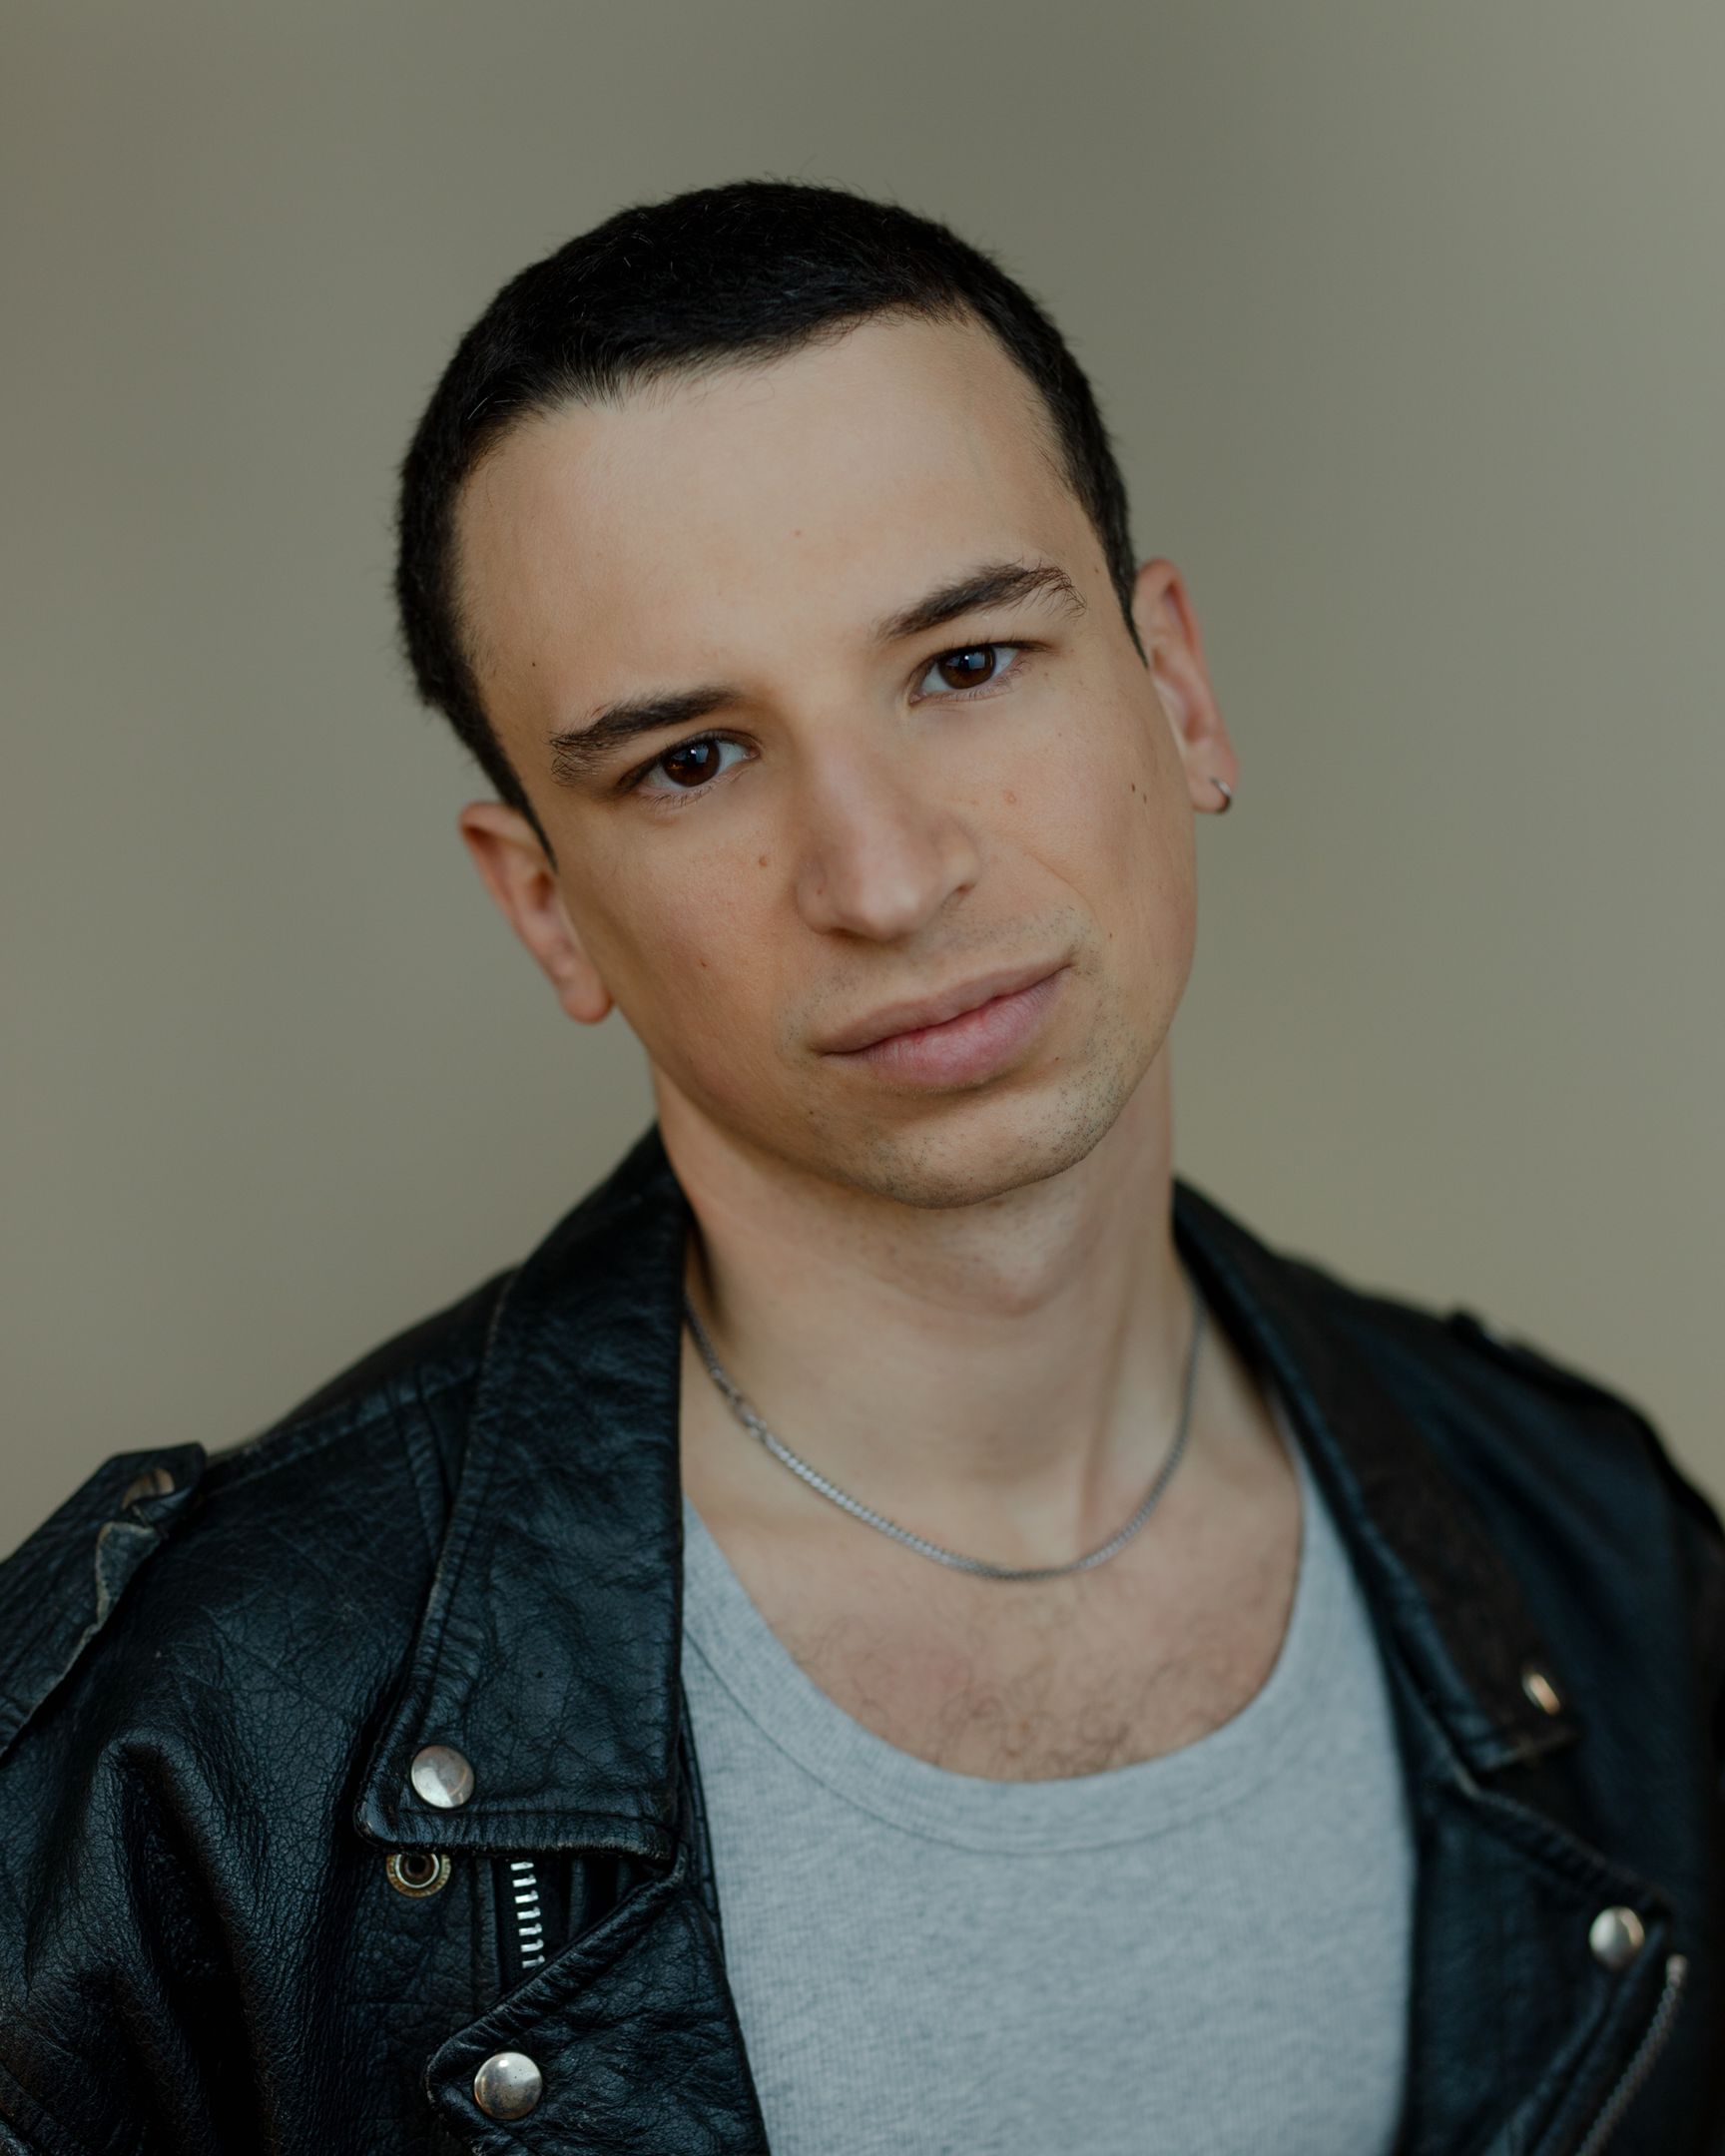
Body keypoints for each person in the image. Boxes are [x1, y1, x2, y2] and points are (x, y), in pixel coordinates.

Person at [1, 179, 1720, 2156]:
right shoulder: (200, 1745)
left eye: (968, 664)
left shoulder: (1596, 1558)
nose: (888, 879)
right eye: (693, 760)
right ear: (547, 905)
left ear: (1178, 689)